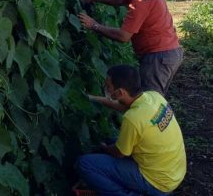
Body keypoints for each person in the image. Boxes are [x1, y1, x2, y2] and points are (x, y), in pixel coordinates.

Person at [77, 65, 186, 195]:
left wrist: (105, 148)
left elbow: (119, 153)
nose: (106, 89)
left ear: (120, 92)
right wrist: (92, 98)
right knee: (111, 141)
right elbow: (121, 106)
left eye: (108, 87)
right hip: (173, 172)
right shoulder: (153, 96)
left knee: (85, 164)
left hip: (157, 183)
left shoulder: (132, 119)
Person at [77, 0, 183, 96]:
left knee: (150, 102)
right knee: (156, 99)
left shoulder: (140, 2)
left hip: (158, 57)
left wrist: (94, 25)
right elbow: (122, 0)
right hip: (170, 52)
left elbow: (123, 36)